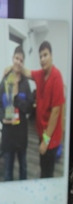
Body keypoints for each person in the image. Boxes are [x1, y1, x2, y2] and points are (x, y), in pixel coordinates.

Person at [0, 46, 33, 181]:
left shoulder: (25, 84)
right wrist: (3, 118)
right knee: (7, 171)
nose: (18, 62)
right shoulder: (4, 81)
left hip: (21, 135)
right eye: (17, 58)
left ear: (23, 63)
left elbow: (29, 108)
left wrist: (17, 98)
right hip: (8, 135)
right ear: (13, 59)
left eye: (21, 60)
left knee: (23, 169)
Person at [30, 42, 65, 178]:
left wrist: (45, 141)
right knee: (43, 164)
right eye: (40, 56)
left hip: (50, 137)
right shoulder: (40, 74)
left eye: (45, 55)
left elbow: (56, 112)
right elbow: (27, 73)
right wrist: (12, 67)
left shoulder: (56, 76)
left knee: (47, 171)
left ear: (51, 56)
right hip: (42, 133)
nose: (43, 59)